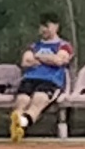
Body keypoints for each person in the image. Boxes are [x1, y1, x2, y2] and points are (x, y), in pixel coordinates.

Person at [9, 13, 74, 142]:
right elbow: (26, 61)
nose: (44, 29)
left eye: (47, 26)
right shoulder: (34, 46)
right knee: (22, 100)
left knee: (38, 100)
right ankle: (17, 125)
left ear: (56, 27)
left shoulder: (63, 45)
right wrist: (48, 59)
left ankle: (22, 123)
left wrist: (38, 57)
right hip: (30, 78)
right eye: (42, 26)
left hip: (51, 81)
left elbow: (58, 61)